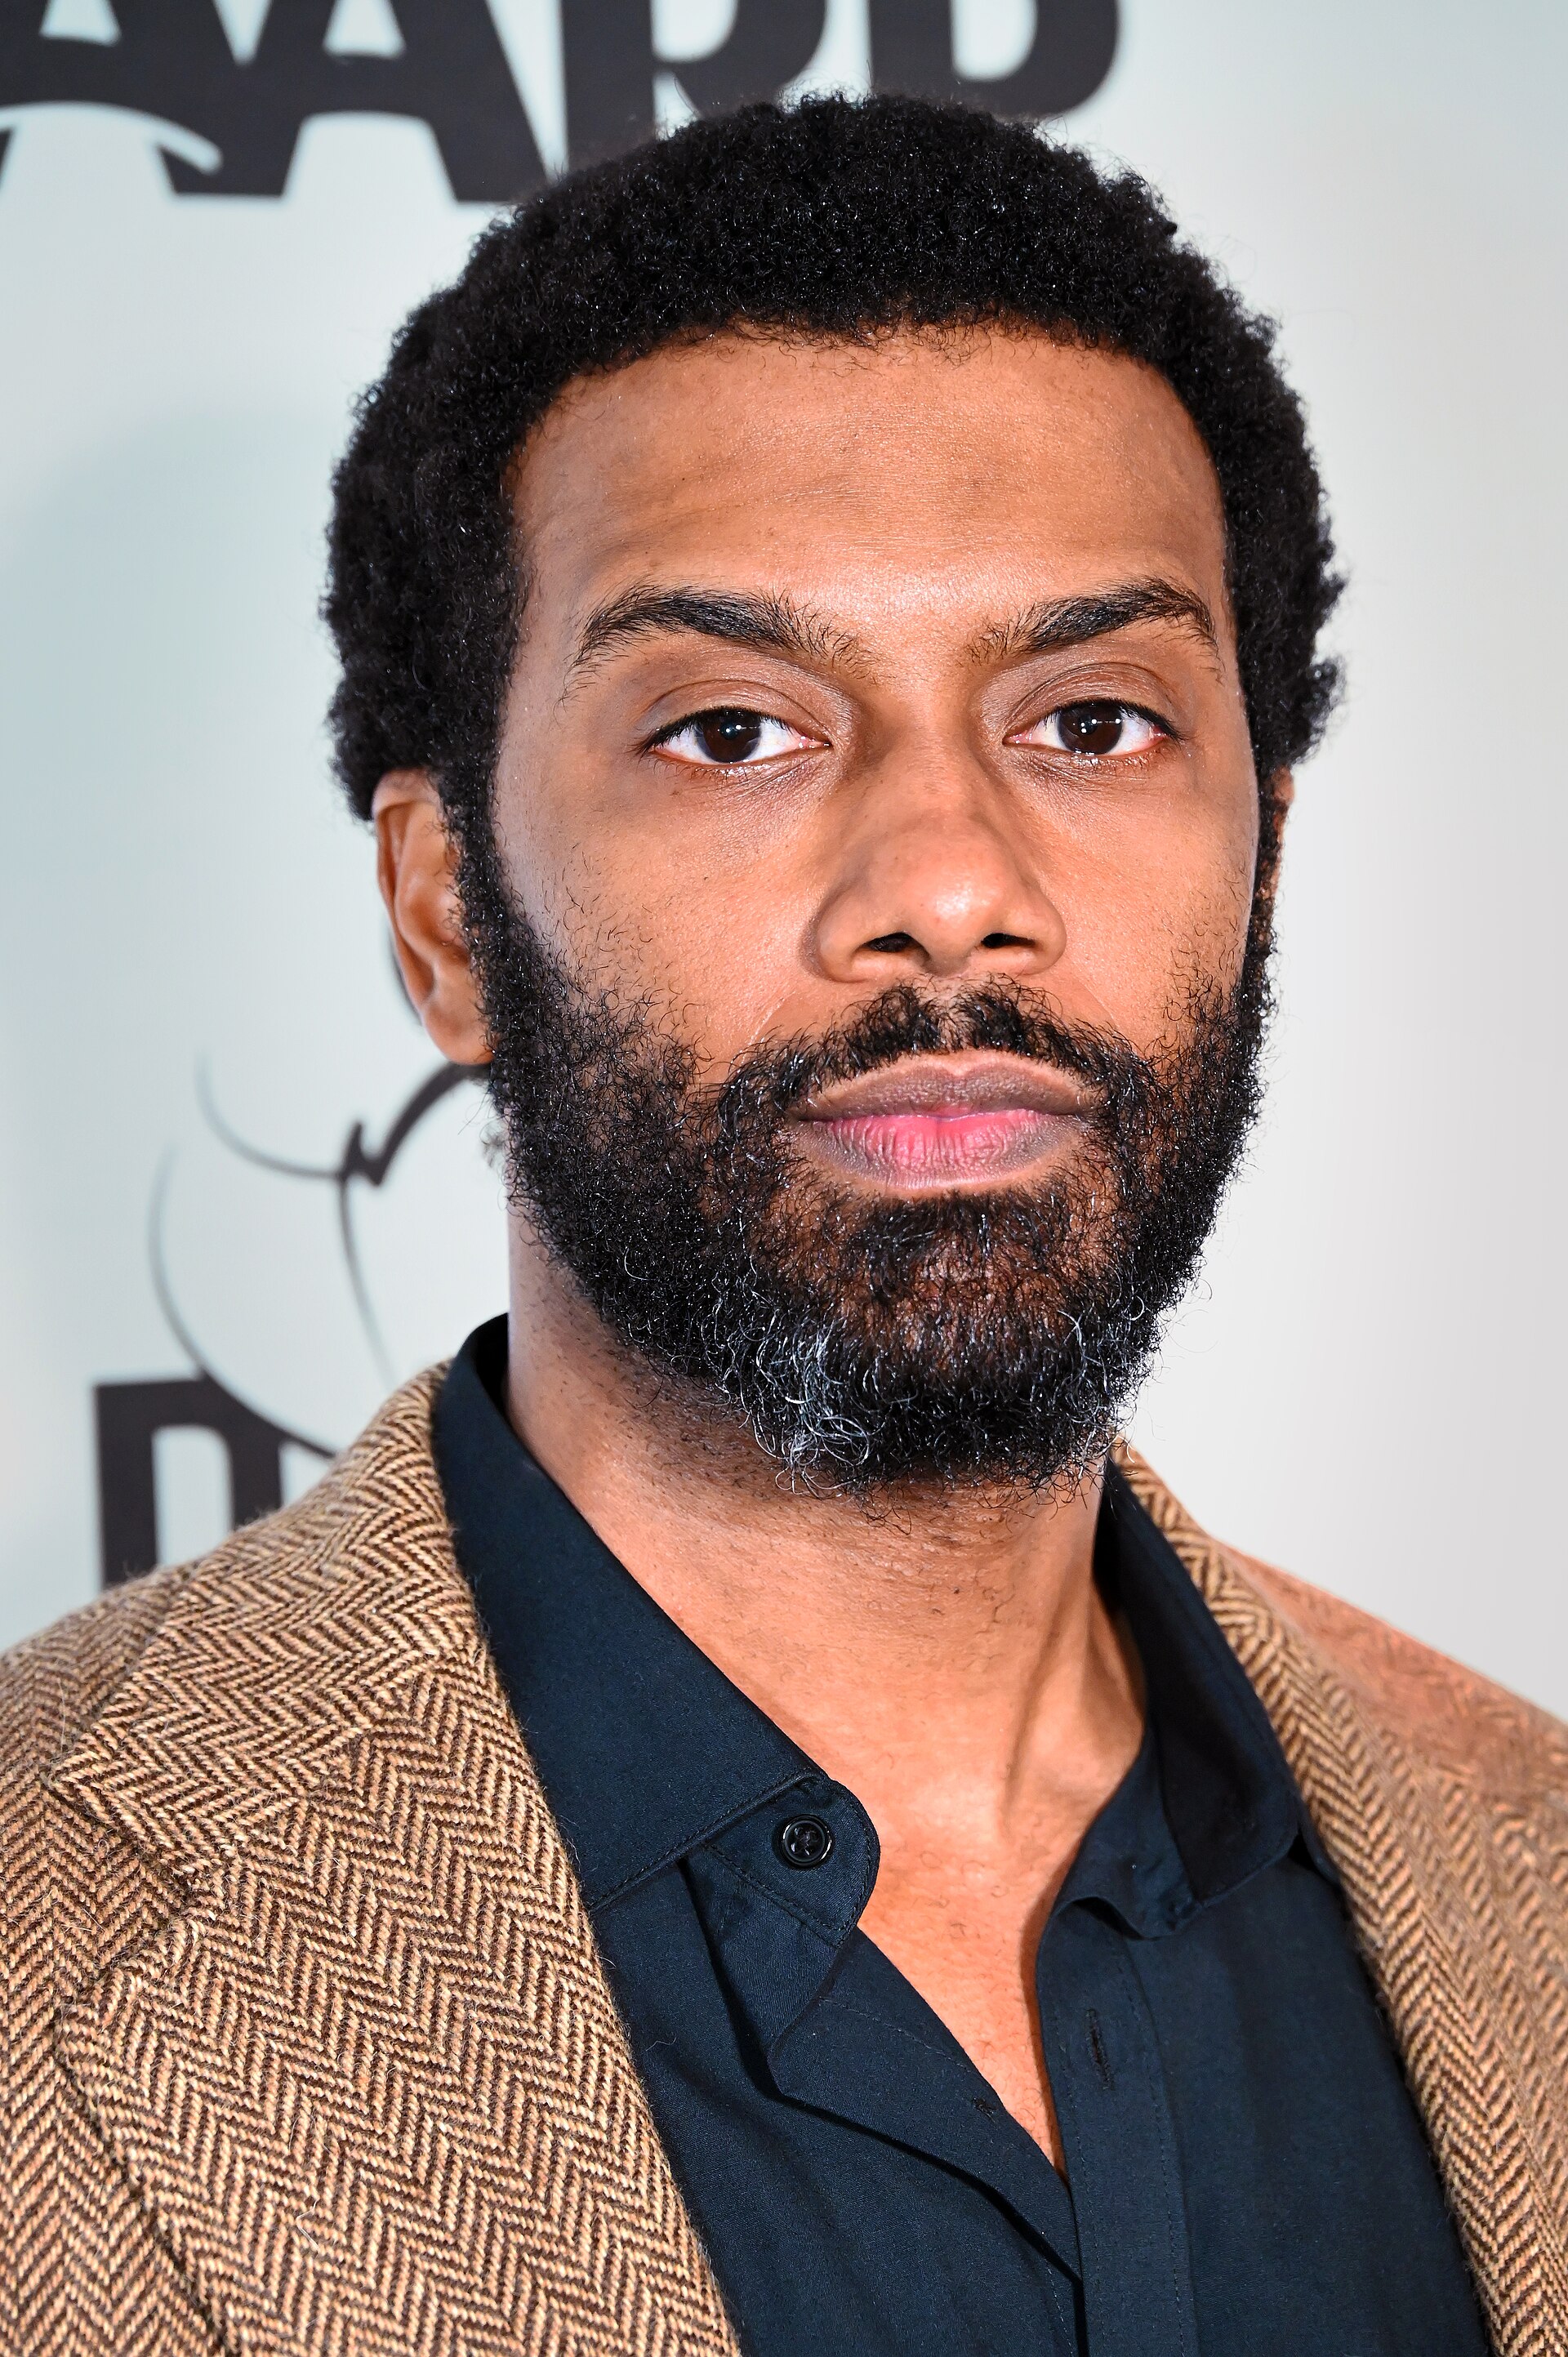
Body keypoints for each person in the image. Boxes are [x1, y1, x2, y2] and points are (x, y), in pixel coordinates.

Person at [3, 94, 1562, 2357]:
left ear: (1268, 862)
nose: (951, 883)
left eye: (1096, 719)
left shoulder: (1523, 1862)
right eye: (735, 730)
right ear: (448, 914)